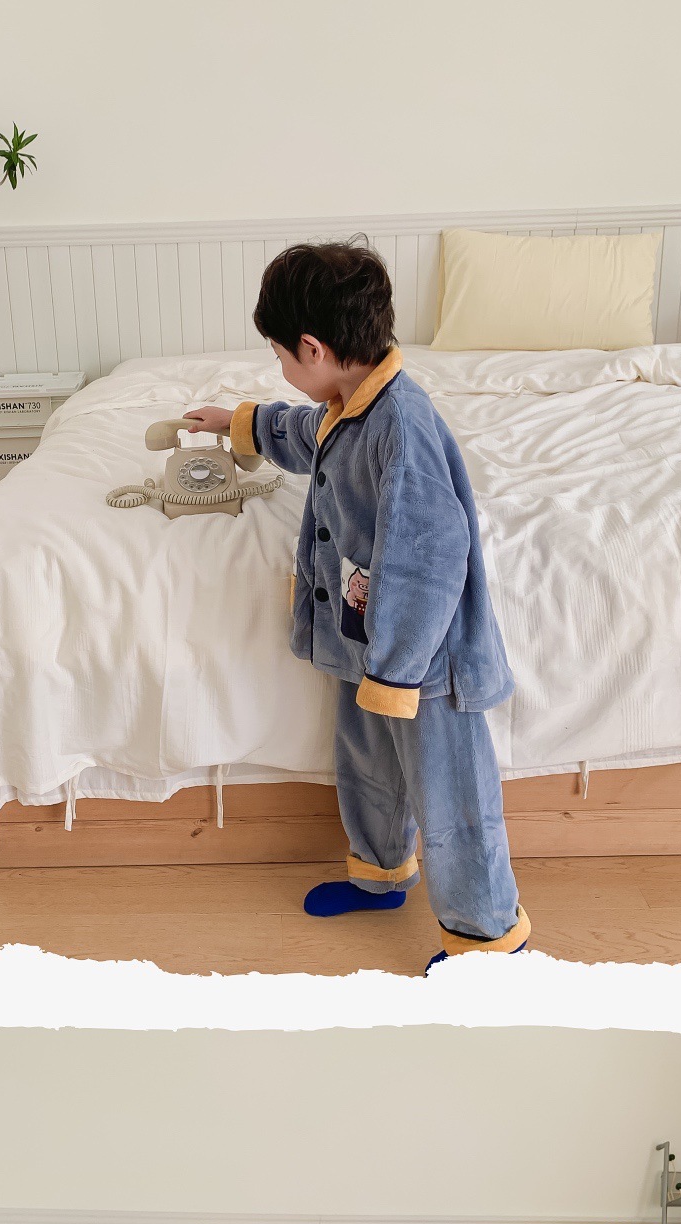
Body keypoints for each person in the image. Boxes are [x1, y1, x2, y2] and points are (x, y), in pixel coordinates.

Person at [202, 239, 529, 958]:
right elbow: (311, 436)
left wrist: (398, 669)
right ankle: (381, 872)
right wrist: (242, 423)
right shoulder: (349, 399)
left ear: (313, 349)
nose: (281, 370)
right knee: (369, 766)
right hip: (367, 640)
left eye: (280, 357)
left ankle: (488, 940)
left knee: (452, 800)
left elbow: (428, 557)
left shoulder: (402, 426)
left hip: (423, 662)